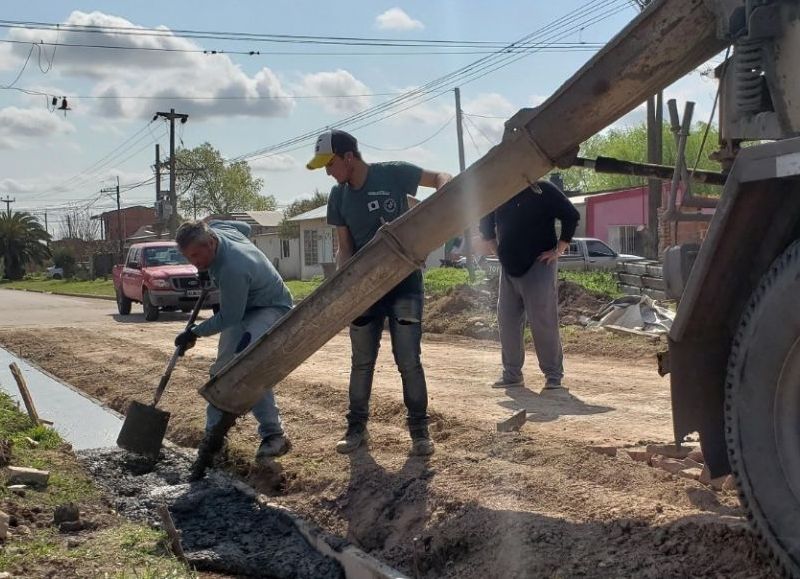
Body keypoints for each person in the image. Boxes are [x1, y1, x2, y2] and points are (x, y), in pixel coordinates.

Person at [306, 129, 451, 456]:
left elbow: (443, 176)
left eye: (329, 164)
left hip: (405, 285)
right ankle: (356, 430)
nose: (328, 172)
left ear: (348, 157)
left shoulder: (393, 173)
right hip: (364, 290)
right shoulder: (338, 196)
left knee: (409, 361)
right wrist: (344, 292)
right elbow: (345, 249)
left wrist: (439, 208)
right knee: (362, 362)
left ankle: (419, 432)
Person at [174, 220, 294, 463]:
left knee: (248, 363)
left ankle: (274, 436)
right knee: (223, 368)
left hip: (271, 306)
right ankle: (212, 436)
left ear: (210, 243)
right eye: (189, 257)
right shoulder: (219, 228)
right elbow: (245, 229)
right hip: (246, 306)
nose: (194, 262)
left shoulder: (232, 268)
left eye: (197, 256)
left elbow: (230, 316)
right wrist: (204, 269)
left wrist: (195, 333)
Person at [479, 180, 580, 391]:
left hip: (539, 264)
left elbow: (571, 215)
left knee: (543, 322)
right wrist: (500, 254)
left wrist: (558, 250)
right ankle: (512, 375)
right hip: (509, 268)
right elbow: (485, 227)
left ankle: (553, 376)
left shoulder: (543, 189)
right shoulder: (498, 191)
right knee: (507, 321)